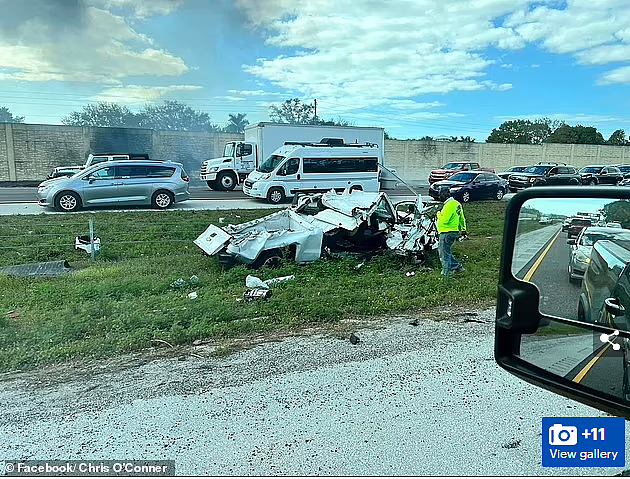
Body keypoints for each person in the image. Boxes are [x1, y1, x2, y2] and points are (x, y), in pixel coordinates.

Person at [436, 194, 467, 276]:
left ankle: (446, 273)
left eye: (440, 195)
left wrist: (438, 213)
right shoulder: (457, 204)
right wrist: (463, 229)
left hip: (446, 232)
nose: (439, 197)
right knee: (446, 251)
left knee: (443, 253)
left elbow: (444, 220)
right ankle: (458, 267)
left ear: (445, 196)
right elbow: (462, 218)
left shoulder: (448, 206)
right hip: (454, 231)